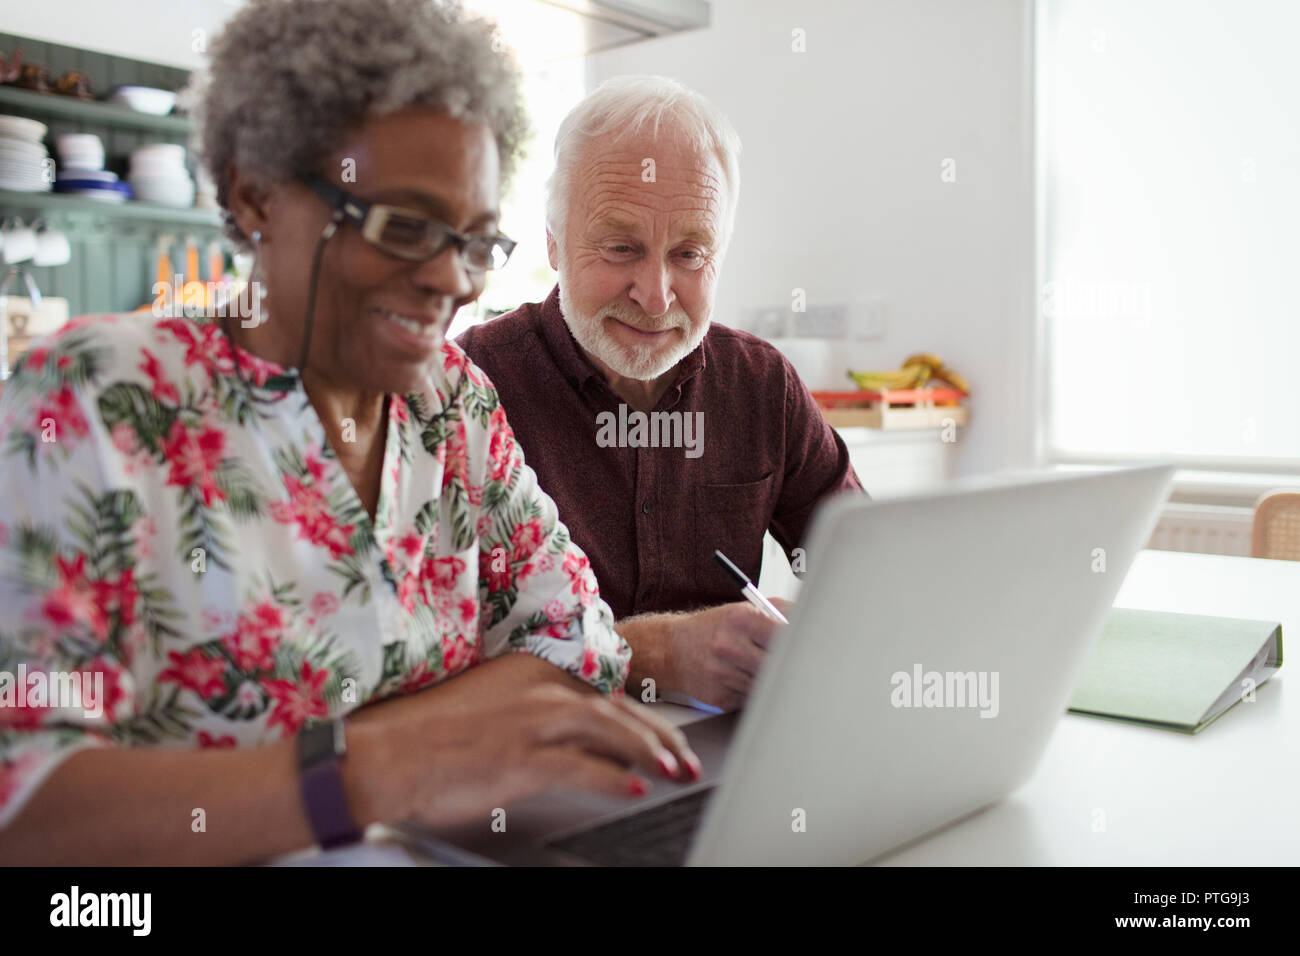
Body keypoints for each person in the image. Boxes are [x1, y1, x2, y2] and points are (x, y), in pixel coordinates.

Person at [0, 0, 697, 867]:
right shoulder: (101, 402)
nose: (452, 281)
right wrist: (368, 772)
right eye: (403, 226)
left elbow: (575, 643)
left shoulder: (452, 404)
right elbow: (25, 805)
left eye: (475, 242)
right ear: (253, 194)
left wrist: (337, 768)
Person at [458, 76, 864, 713]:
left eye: (689, 253)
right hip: (539, 750)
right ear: (554, 245)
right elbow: (439, 651)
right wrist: (657, 654)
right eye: (621, 247)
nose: (656, 294)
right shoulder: (468, 385)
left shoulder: (761, 385)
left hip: (726, 756)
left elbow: (861, 572)